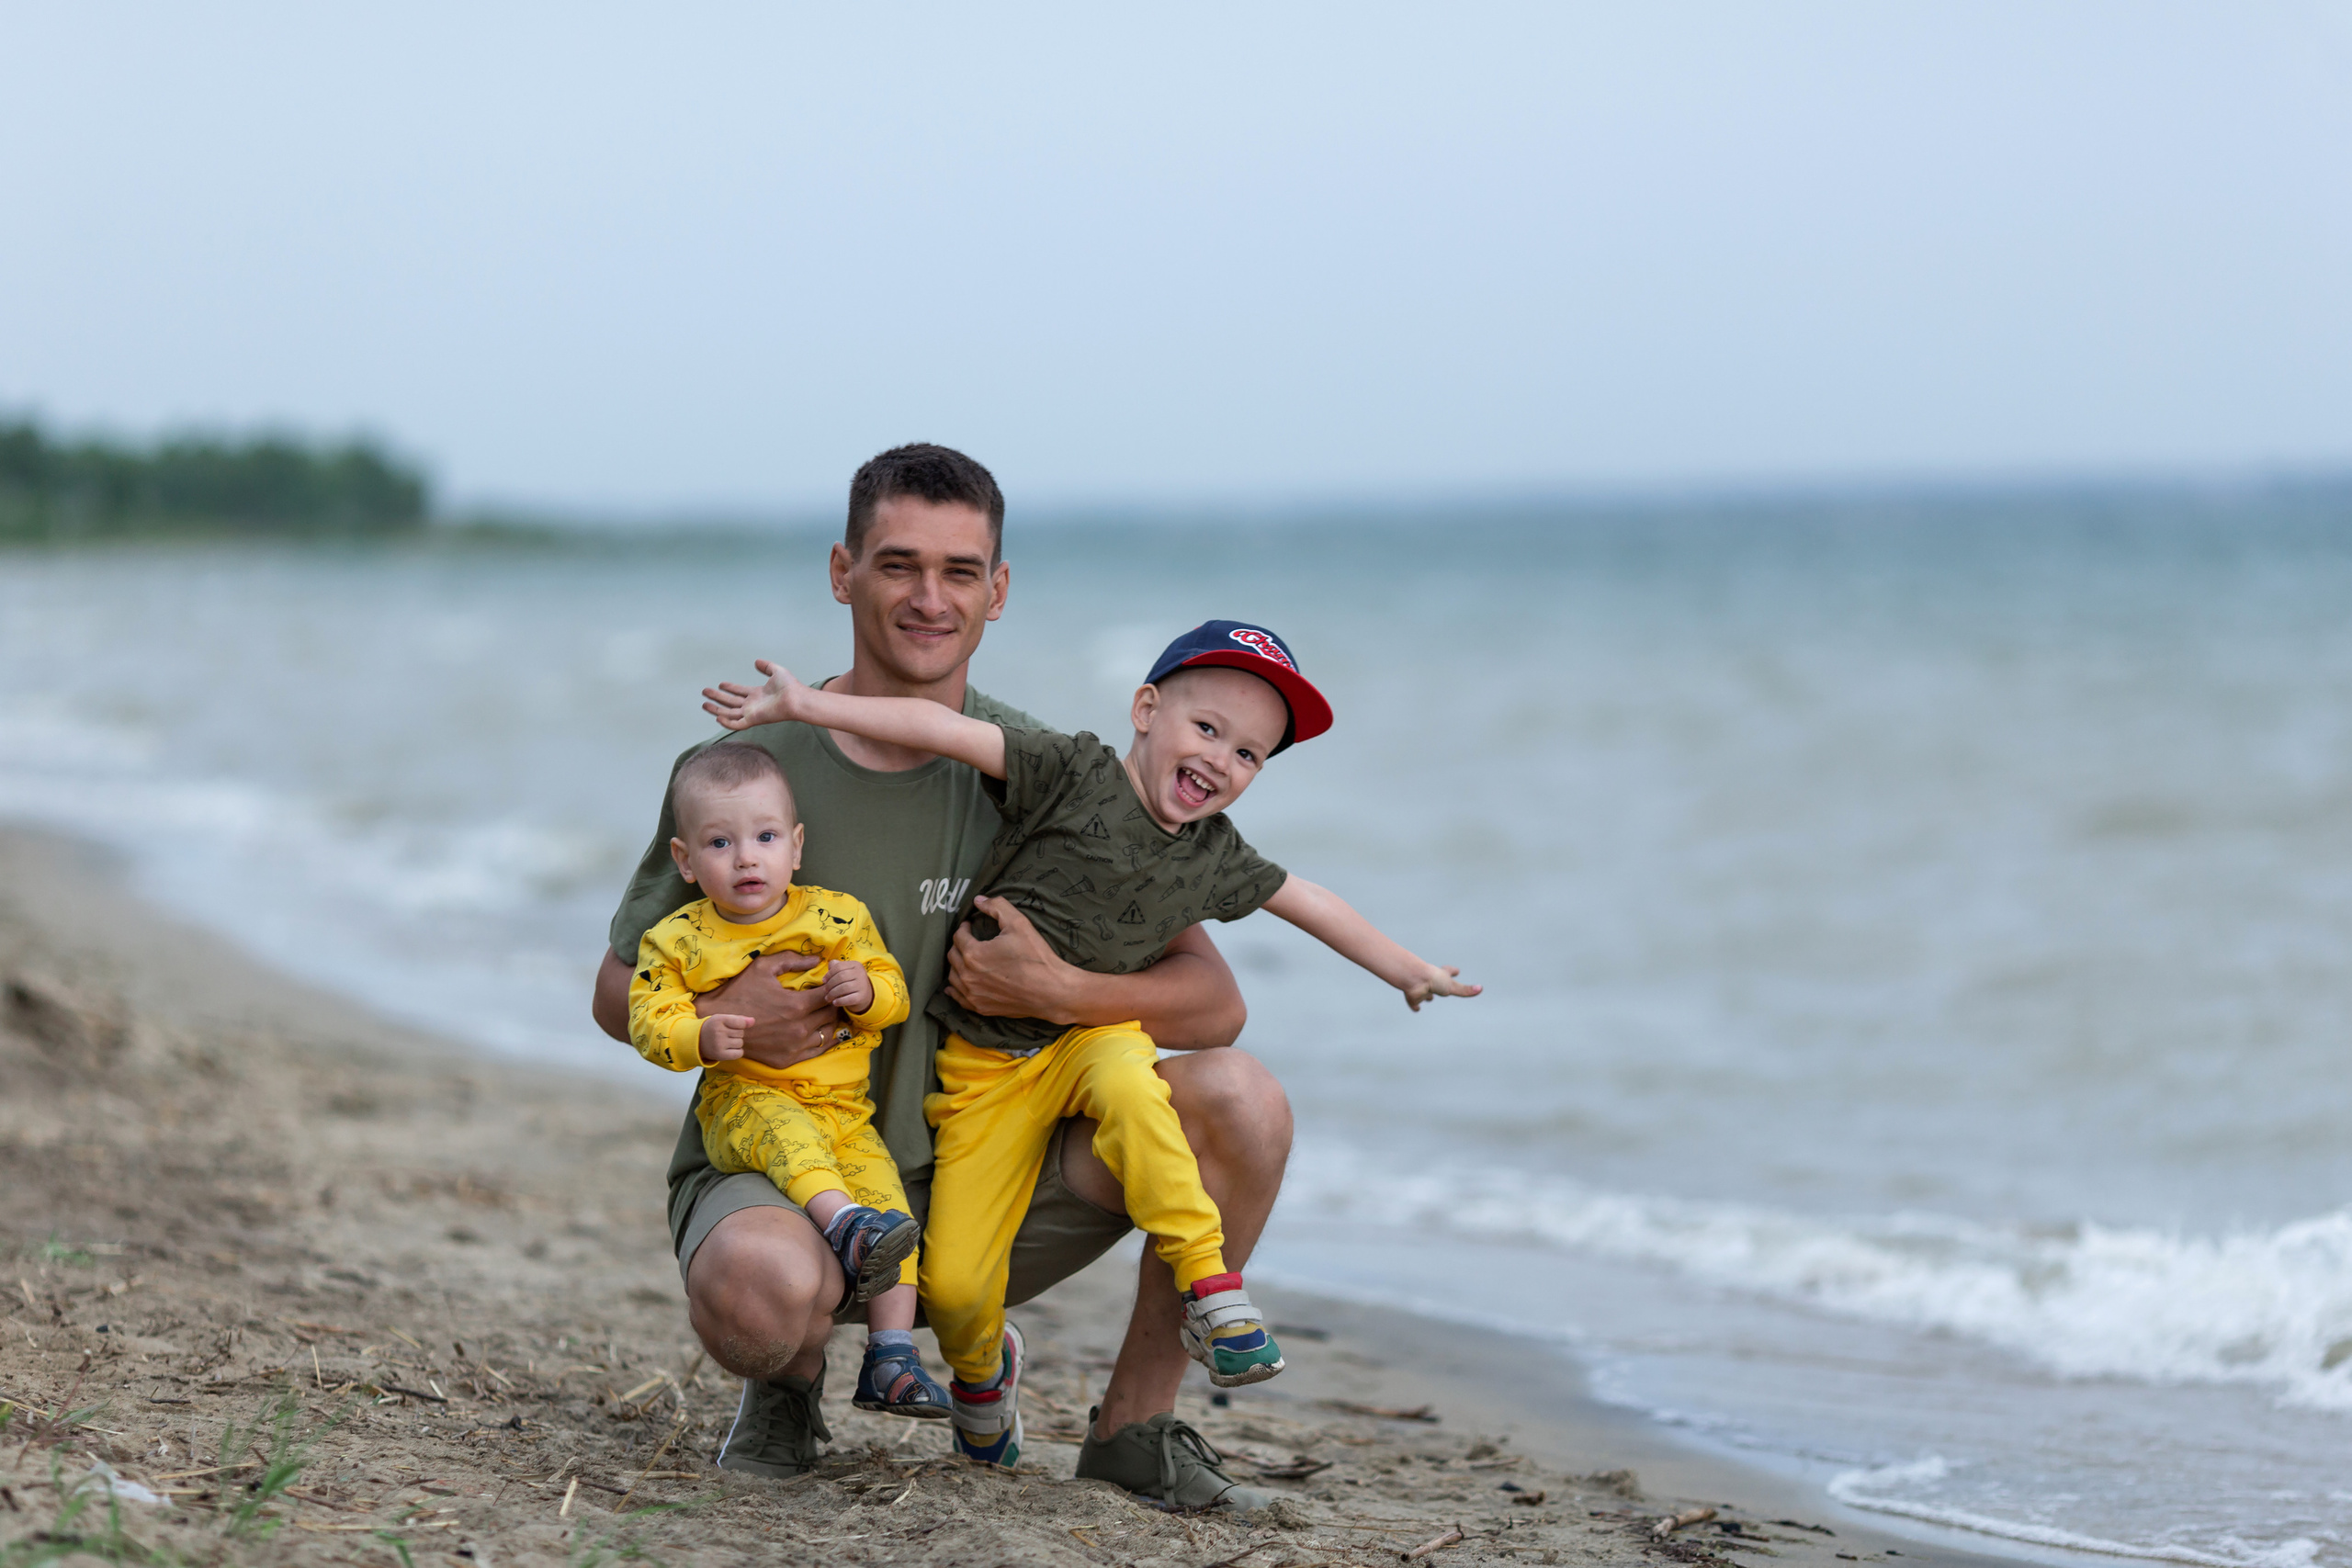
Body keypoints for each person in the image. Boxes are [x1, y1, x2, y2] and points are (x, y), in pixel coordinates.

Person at [589, 443, 1294, 1511]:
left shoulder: (1049, 774)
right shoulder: (753, 771)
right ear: (843, 572)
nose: (930, 598)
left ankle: (1135, 1430)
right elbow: (614, 991)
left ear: (997, 591)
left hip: (990, 1174)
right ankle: (787, 1385)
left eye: (960, 571)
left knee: (1242, 1101)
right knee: (760, 1296)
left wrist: (1062, 994)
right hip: (799, 1174)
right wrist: (731, 1013)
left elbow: (1215, 1003)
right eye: (898, 565)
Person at [703, 622, 1480, 1465]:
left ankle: (1211, 1282)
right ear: (1146, 709)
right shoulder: (1070, 771)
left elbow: (1309, 899)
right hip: (986, 1069)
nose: (1220, 760)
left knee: (1130, 1081)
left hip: (1090, 1043)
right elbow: (944, 729)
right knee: (956, 1284)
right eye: (1207, 728)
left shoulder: (1212, 855)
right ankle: (982, 1375)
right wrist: (806, 705)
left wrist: (1406, 970)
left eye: (1249, 754)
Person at [627, 740, 948, 1419]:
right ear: (685, 860)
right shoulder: (678, 939)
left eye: (766, 838)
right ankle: (844, 1226)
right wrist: (699, 1032)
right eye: (721, 843)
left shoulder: (837, 917)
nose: (747, 858)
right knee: (787, 1134)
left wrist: (866, 992)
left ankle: (892, 1356)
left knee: (892, 1209)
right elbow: (648, 1019)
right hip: (744, 1098)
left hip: (845, 1112)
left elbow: (892, 988)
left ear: (796, 847)